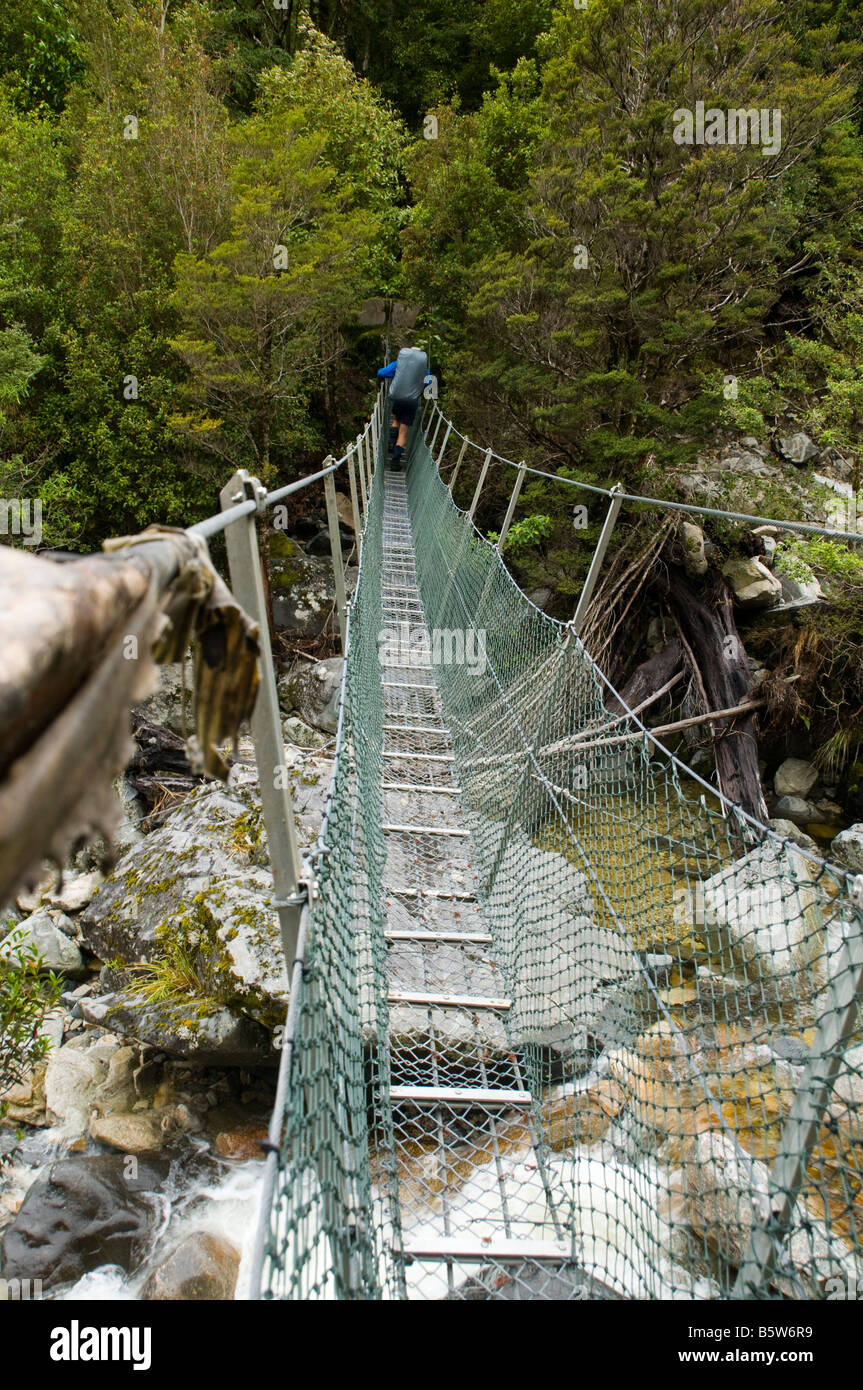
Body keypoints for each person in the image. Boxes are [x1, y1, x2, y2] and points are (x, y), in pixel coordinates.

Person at [377, 345, 431, 470]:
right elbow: (429, 383)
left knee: (396, 419)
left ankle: (391, 441)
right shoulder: (423, 369)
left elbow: (382, 372)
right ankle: (395, 463)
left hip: (398, 398)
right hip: (412, 402)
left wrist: (380, 380)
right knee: (403, 432)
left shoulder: (399, 363)